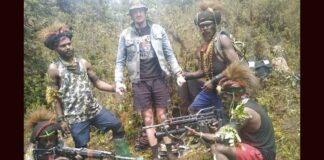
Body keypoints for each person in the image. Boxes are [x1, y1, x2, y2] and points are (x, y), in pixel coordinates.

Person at [44, 24, 131, 157]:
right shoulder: (54, 68)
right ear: (56, 48)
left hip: (94, 110)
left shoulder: (83, 63)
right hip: (75, 117)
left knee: (117, 126)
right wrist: (61, 120)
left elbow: (97, 82)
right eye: (63, 46)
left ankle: (124, 157)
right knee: (81, 150)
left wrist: (114, 88)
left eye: (69, 44)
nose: (68, 47)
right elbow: (55, 97)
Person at [114, 1, 186, 159]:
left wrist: (178, 73)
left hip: (158, 79)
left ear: (145, 13)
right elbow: (120, 61)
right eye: (135, 12)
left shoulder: (158, 30)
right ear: (131, 15)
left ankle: (168, 150)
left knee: (163, 116)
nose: (138, 14)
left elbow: (169, 54)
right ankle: (155, 154)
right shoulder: (125, 35)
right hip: (139, 82)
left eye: (140, 11)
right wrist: (118, 81)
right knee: (147, 118)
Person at [186, 62, 276, 160]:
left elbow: (223, 136)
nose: (223, 101)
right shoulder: (246, 104)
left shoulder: (244, 111)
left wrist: (199, 134)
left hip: (262, 155)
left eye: (226, 97)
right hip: (257, 150)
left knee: (217, 148)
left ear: (235, 95)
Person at [183, 1, 241, 113]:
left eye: (208, 24)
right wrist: (186, 75)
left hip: (227, 88)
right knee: (194, 109)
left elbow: (236, 63)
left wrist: (214, 81)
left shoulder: (222, 39)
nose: (205, 28)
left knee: (225, 117)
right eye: (202, 26)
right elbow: (203, 71)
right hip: (211, 89)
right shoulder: (204, 46)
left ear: (214, 24)